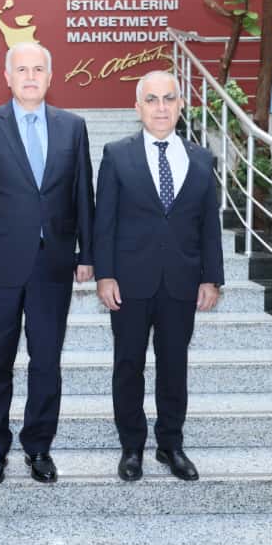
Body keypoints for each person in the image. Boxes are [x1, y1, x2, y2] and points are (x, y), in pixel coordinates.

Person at [0, 42, 95, 487]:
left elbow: (83, 195)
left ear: (50, 77)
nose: (31, 76)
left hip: (52, 265)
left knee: (46, 362)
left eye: (38, 69)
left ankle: (38, 446)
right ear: (7, 77)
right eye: (22, 70)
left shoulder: (73, 127)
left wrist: (87, 254)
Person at [94, 69, 224, 482]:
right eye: (151, 99)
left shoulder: (201, 159)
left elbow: (209, 224)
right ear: (138, 108)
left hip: (181, 282)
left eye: (169, 98)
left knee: (174, 366)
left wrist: (211, 277)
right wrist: (105, 275)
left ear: (181, 105)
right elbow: (104, 221)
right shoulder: (117, 154)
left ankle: (171, 445)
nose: (161, 107)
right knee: (128, 365)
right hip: (129, 282)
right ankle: (132, 447)